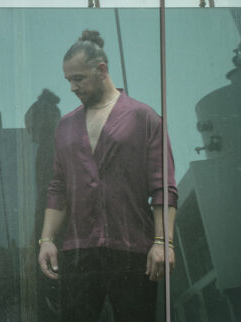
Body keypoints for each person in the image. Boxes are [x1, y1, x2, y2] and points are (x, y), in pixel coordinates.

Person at [37, 29, 178, 322]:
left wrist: (163, 242)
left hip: (132, 249)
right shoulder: (65, 126)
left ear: (102, 71)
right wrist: (47, 240)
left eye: (78, 78)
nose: (72, 87)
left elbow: (163, 187)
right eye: (68, 80)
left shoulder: (143, 117)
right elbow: (58, 188)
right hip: (79, 252)